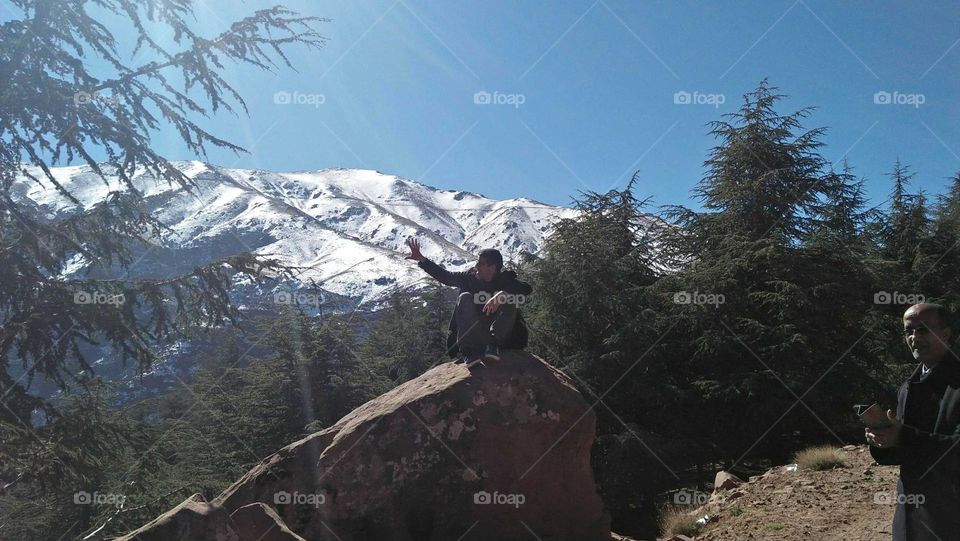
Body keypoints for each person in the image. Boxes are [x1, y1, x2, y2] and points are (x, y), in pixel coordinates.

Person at [867, 303, 960, 541]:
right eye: (909, 330)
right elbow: (906, 451)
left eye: (923, 329)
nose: (914, 337)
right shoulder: (908, 387)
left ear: (946, 334)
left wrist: (904, 436)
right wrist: (884, 442)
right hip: (913, 513)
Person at [405, 237, 532, 368]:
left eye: (481, 263)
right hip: (475, 336)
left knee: (510, 300)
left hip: (502, 339)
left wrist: (502, 294)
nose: (476, 266)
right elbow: (446, 277)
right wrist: (422, 260)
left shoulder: (504, 280)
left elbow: (526, 288)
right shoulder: (469, 278)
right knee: (464, 297)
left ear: (492, 267)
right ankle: (467, 352)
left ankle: (494, 345)